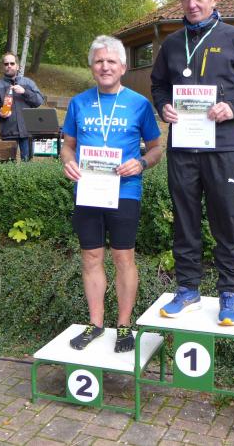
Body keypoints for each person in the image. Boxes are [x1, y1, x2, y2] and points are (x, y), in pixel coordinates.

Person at [150, 0, 234, 326]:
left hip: (224, 148)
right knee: (184, 219)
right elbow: (158, 85)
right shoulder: (172, 44)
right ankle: (187, 289)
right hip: (183, 147)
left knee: (226, 218)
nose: (191, 4)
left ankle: (229, 292)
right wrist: (163, 106)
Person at [61, 35, 162, 352]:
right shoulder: (79, 103)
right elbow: (67, 146)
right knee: (91, 256)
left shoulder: (139, 104)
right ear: (92, 66)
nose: (105, 66)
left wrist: (141, 163)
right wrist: (68, 162)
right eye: (99, 61)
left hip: (125, 191)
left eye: (111, 61)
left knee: (123, 257)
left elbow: (157, 149)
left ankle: (124, 326)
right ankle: (95, 324)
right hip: (88, 190)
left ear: (123, 67)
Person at [0, 52, 45, 161]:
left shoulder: (28, 83)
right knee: (7, 166)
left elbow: (39, 101)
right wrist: (0, 114)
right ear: (3, 67)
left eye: (12, 63)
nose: (9, 66)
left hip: (27, 132)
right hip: (8, 132)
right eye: (6, 64)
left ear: (17, 66)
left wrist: (25, 92)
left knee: (27, 166)